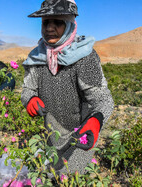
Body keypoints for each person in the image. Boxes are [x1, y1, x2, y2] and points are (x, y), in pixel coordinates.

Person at [21, 0, 114, 177]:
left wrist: (96, 120)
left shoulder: (85, 56)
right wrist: (29, 99)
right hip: (51, 133)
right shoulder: (37, 56)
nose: (49, 28)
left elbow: (103, 100)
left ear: (70, 25)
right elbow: (28, 89)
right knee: (50, 176)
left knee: (70, 177)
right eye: (46, 22)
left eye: (58, 22)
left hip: (81, 135)